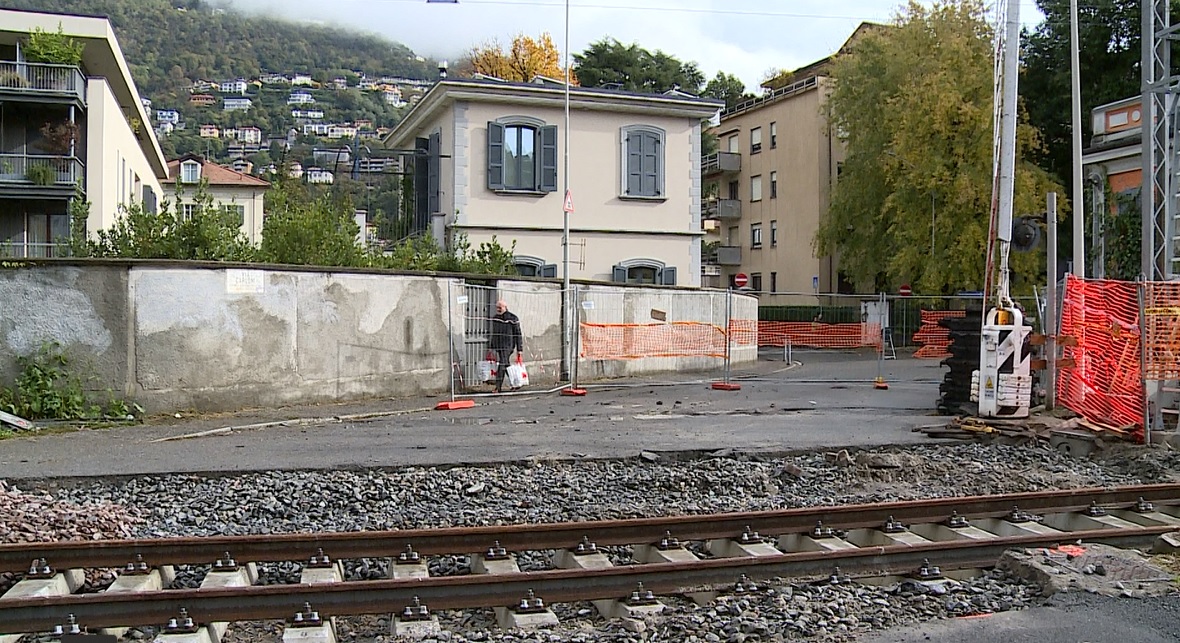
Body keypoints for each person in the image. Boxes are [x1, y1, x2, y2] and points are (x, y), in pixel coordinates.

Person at [489, 299, 522, 393]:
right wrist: (492, 347)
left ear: (505, 307)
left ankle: (497, 387)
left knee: (502, 364)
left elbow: (518, 333)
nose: (498, 309)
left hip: (508, 345)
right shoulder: (495, 318)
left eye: (500, 307)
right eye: (497, 307)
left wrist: (519, 349)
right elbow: (494, 333)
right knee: (506, 364)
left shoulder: (512, 318)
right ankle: (516, 383)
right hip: (498, 345)